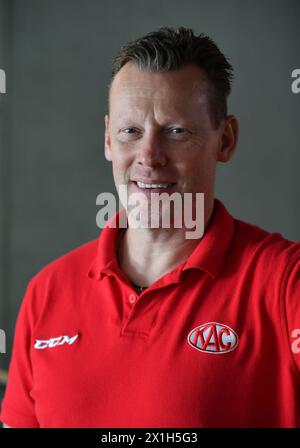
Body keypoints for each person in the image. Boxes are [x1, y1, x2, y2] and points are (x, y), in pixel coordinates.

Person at [1, 26, 300, 428]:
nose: (149, 156)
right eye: (131, 132)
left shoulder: (285, 283)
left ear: (225, 140)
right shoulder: (47, 293)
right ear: (108, 139)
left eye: (176, 131)